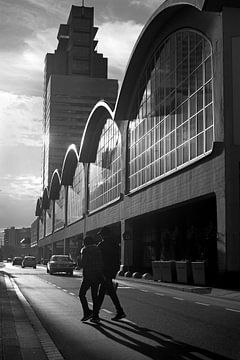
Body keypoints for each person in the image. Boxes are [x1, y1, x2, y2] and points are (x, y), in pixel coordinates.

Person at [94, 226, 126, 322]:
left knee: (102, 292)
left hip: (104, 271)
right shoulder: (115, 244)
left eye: (101, 235)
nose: (101, 236)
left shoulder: (102, 245)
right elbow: (116, 259)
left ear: (104, 235)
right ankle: (119, 311)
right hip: (111, 271)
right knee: (109, 291)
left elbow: (98, 258)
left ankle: (96, 313)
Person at [79, 236, 103, 322]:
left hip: (88, 276)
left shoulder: (85, 250)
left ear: (85, 243)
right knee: (94, 296)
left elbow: (83, 263)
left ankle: (87, 312)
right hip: (97, 275)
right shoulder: (98, 250)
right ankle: (96, 316)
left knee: (81, 294)